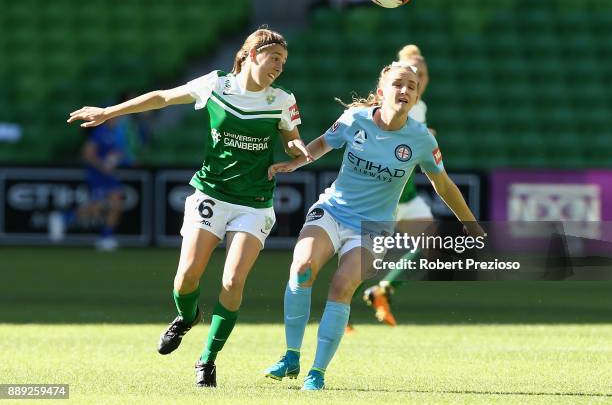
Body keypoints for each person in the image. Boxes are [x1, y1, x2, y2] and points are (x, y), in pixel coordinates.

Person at [67, 27, 312, 387]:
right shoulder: (216, 84)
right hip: (210, 194)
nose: (279, 66)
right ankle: (187, 317)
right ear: (251, 55)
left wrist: (296, 152)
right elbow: (162, 98)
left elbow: (292, 140)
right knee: (186, 280)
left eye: (284, 61)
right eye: (274, 57)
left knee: (232, 280)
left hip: (255, 202)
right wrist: (109, 112)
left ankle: (207, 360)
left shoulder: (282, 100)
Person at [263, 62, 483, 390]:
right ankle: (291, 355)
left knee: (342, 286)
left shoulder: (421, 139)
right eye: (398, 84)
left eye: (412, 86)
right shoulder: (355, 120)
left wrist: (471, 225)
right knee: (303, 268)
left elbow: (444, 185)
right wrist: (297, 162)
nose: (405, 90)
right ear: (381, 92)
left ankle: (317, 373)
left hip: (373, 228)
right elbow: (325, 141)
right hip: (333, 210)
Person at [363, 44, 434, 325]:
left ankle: (384, 289)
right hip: (384, 197)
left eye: (423, 73)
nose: (420, 77)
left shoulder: (421, 106)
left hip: (408, 194)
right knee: (366, 262)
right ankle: (338, 308)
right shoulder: (385, 107)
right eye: (414, 70)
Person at [48, 113, 135, 251]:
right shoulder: (100, 132)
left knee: (117, 202)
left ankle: (106, 238)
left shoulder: (117, 134)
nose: (118, 120)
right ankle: (63, 218)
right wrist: (103, 166)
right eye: (115, 117)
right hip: (97, 175)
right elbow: (87, 154)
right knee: (97, 205)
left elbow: (117, 153)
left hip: (109, 175)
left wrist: (116, 159)